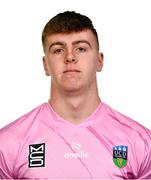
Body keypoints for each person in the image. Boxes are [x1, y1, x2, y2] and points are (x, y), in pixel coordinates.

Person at [0, 11, 151, 179]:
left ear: (99, 60)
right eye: (58, 50)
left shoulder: (141, 142)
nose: (70, 57)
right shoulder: (8, 143)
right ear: (45, 65)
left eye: (81, 48)